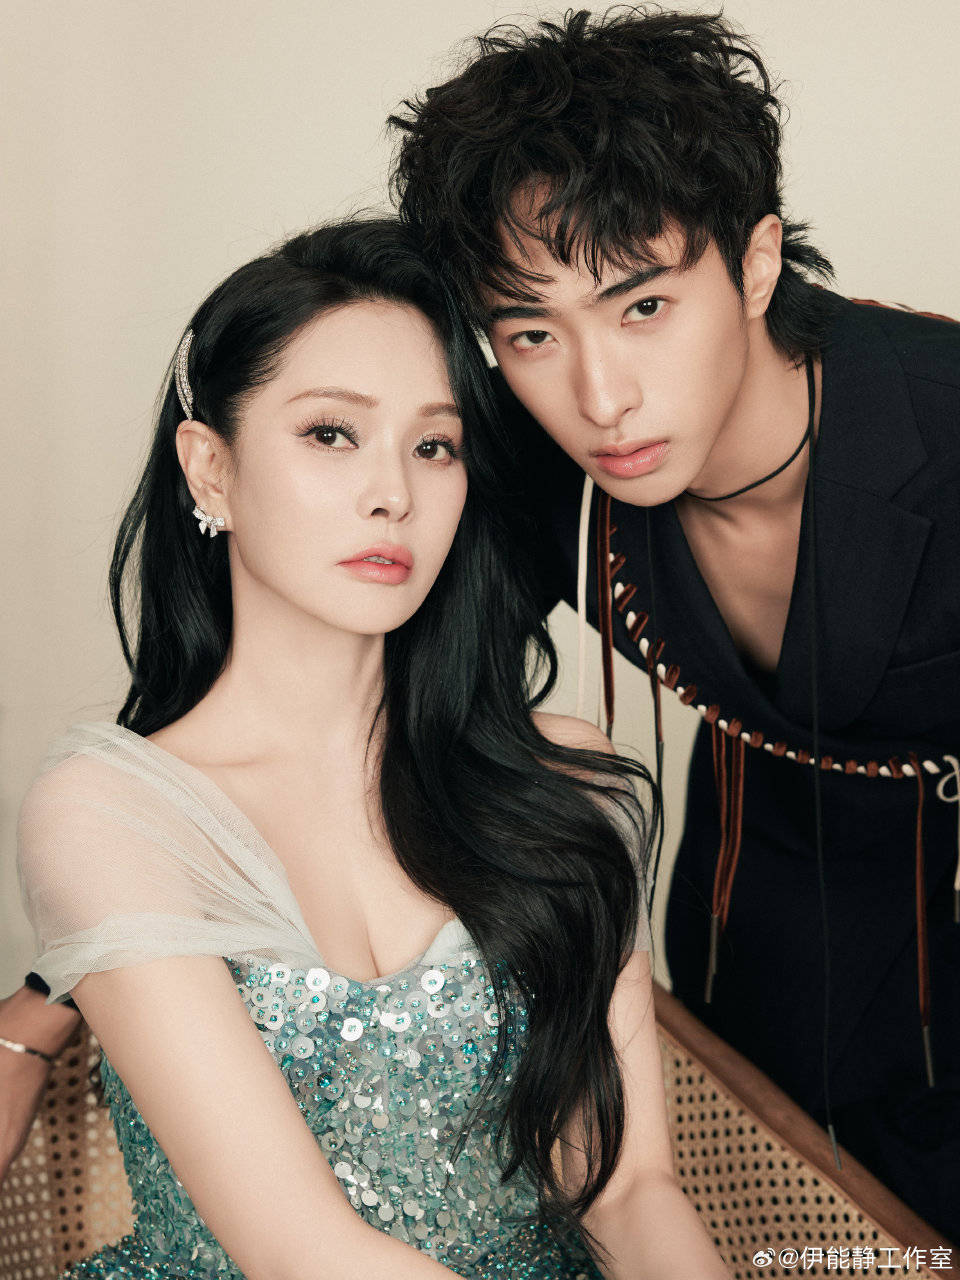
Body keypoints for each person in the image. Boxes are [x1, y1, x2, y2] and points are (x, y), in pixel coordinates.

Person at [7, 217, 731, 1280]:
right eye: (331, 434)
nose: (394, 492)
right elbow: (303, 1250)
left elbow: (628, 1190)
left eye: (435, 446)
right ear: (210, 470)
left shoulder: (565, 782)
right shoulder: (112, 812)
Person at [387, 6, 960, 1242]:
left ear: (755, 265)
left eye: (643, 306)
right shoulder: (534, 475)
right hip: (750, 940)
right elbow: (321, 684)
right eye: (531, 332)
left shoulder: (942, 421)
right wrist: (50, 996)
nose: (600, 397)